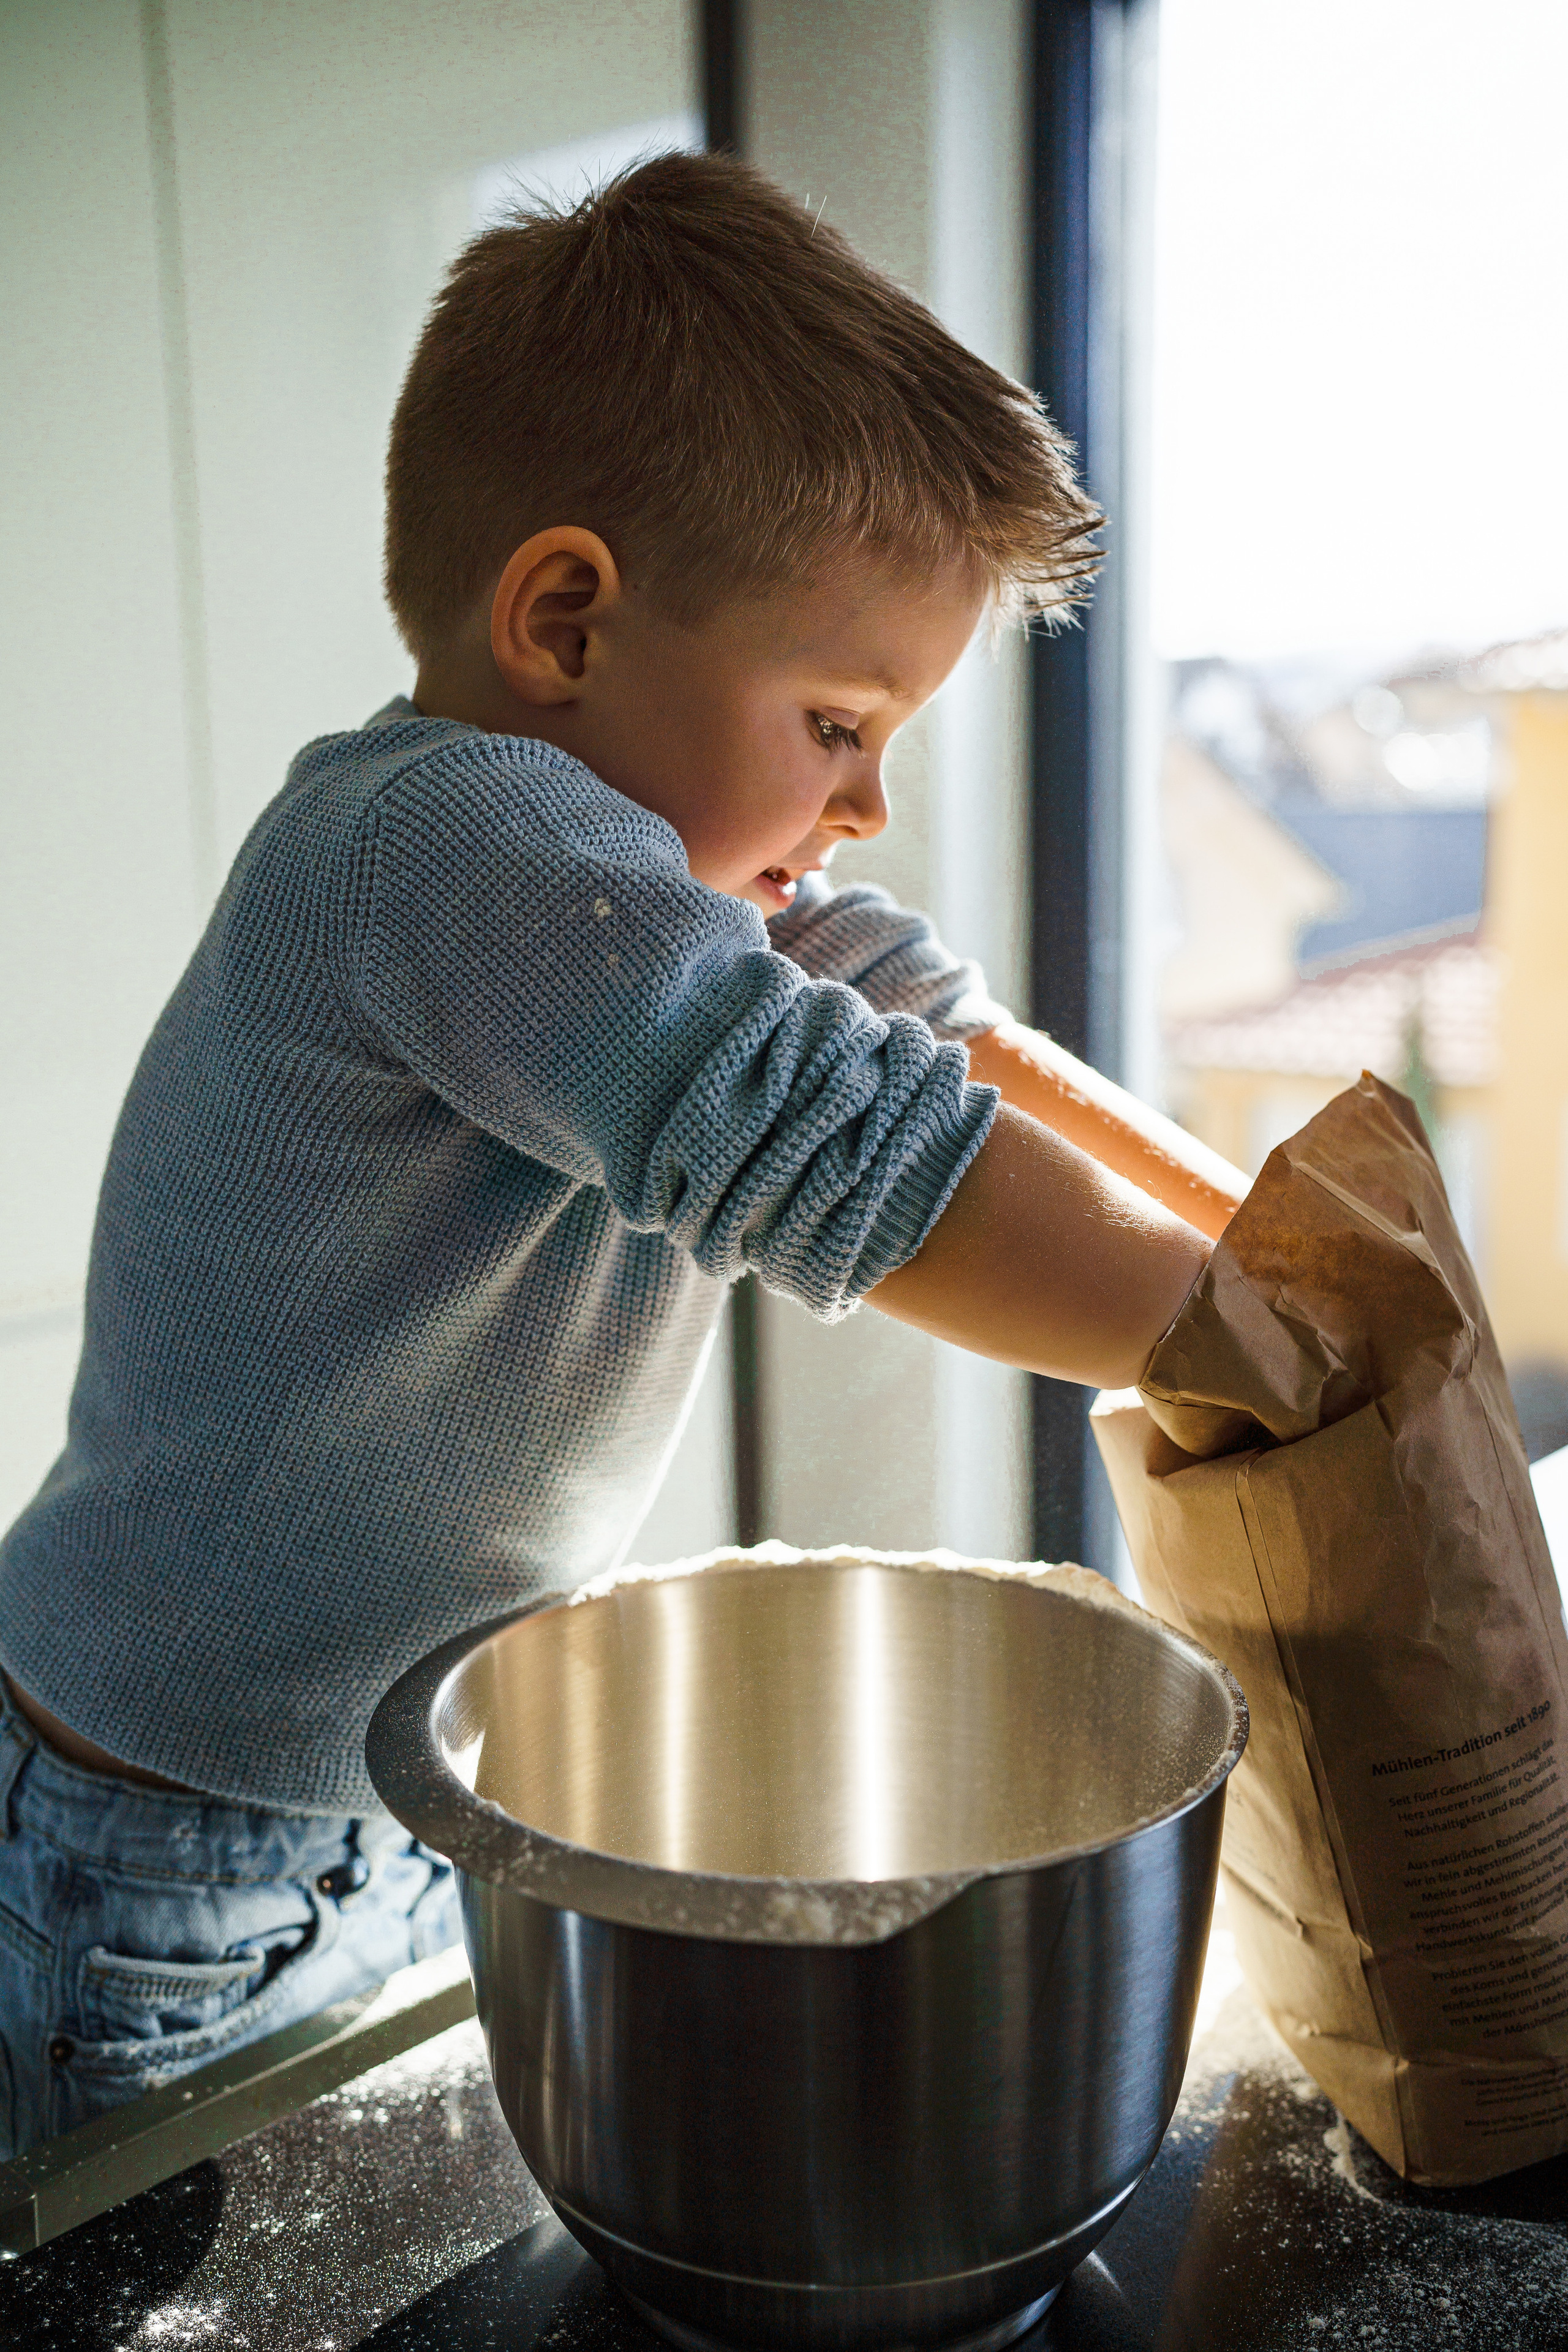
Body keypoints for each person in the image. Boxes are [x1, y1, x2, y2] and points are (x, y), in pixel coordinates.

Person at [0, 151, 1245, 2160]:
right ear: (566, 622)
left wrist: (1284, 1239)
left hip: (394, 1795)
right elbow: (846, 1139)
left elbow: (944, 1046)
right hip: (160, 1849)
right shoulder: (443, 839)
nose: (868, 803)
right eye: (839, 721)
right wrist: (1266, 1347)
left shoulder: (676, 890)